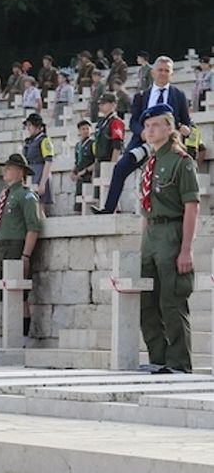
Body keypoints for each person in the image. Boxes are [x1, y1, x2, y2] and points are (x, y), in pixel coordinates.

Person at [137, 104, 199, 373]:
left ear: (169, 127)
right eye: (147, 126)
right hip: (151, 234)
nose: (150, 130)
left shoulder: (180, 161)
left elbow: (192, 205)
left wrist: (186, 249)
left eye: (155, 125)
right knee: (146, 302)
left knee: (171, 301)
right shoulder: (150, 162)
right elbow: (146, 207)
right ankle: (158, 358)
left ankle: (178, 363)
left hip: (172, 233)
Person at [96, 55, 192, 213]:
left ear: (171, 74)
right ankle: (108, 209)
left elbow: (186, 121)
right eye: (160, 70)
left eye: (166, 71)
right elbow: (133, 122)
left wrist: (185, 129)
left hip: (168, 143)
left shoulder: (178, 95)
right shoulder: (142, 96)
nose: (162, 73)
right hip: (143, 142)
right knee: (120, 168)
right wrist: (142, 133)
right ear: (153, 72)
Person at [0, 153, 42, 338]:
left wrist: (26, 255)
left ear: (20, 172)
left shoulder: (26, 195)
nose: (5, 171)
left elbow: (33, 226)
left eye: (10, 167)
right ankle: (9, 333)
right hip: (3, 246)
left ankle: (21, 336)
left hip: (17, 246)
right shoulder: (6, 195)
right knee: (4, 292)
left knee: (19, 294)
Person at [22, 113, 55, 211]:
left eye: (30, 125)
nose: (28, 128)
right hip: (31, 174)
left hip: (40, 173)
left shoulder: (44, 140)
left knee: (39, 208)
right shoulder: (29, 142)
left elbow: (48, 162)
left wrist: (43, 183)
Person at [72, 120, 97, 211]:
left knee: (88, 201)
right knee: (78, 202)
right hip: (80, 177)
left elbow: (96, 161)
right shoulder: (78, 146)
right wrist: (73, 172)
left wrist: (85, 171)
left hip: (89, 176)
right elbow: (77, 161)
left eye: (87, 128)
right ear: (79, 131)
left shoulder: (93, 144)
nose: (85, 131)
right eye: (83, 129)